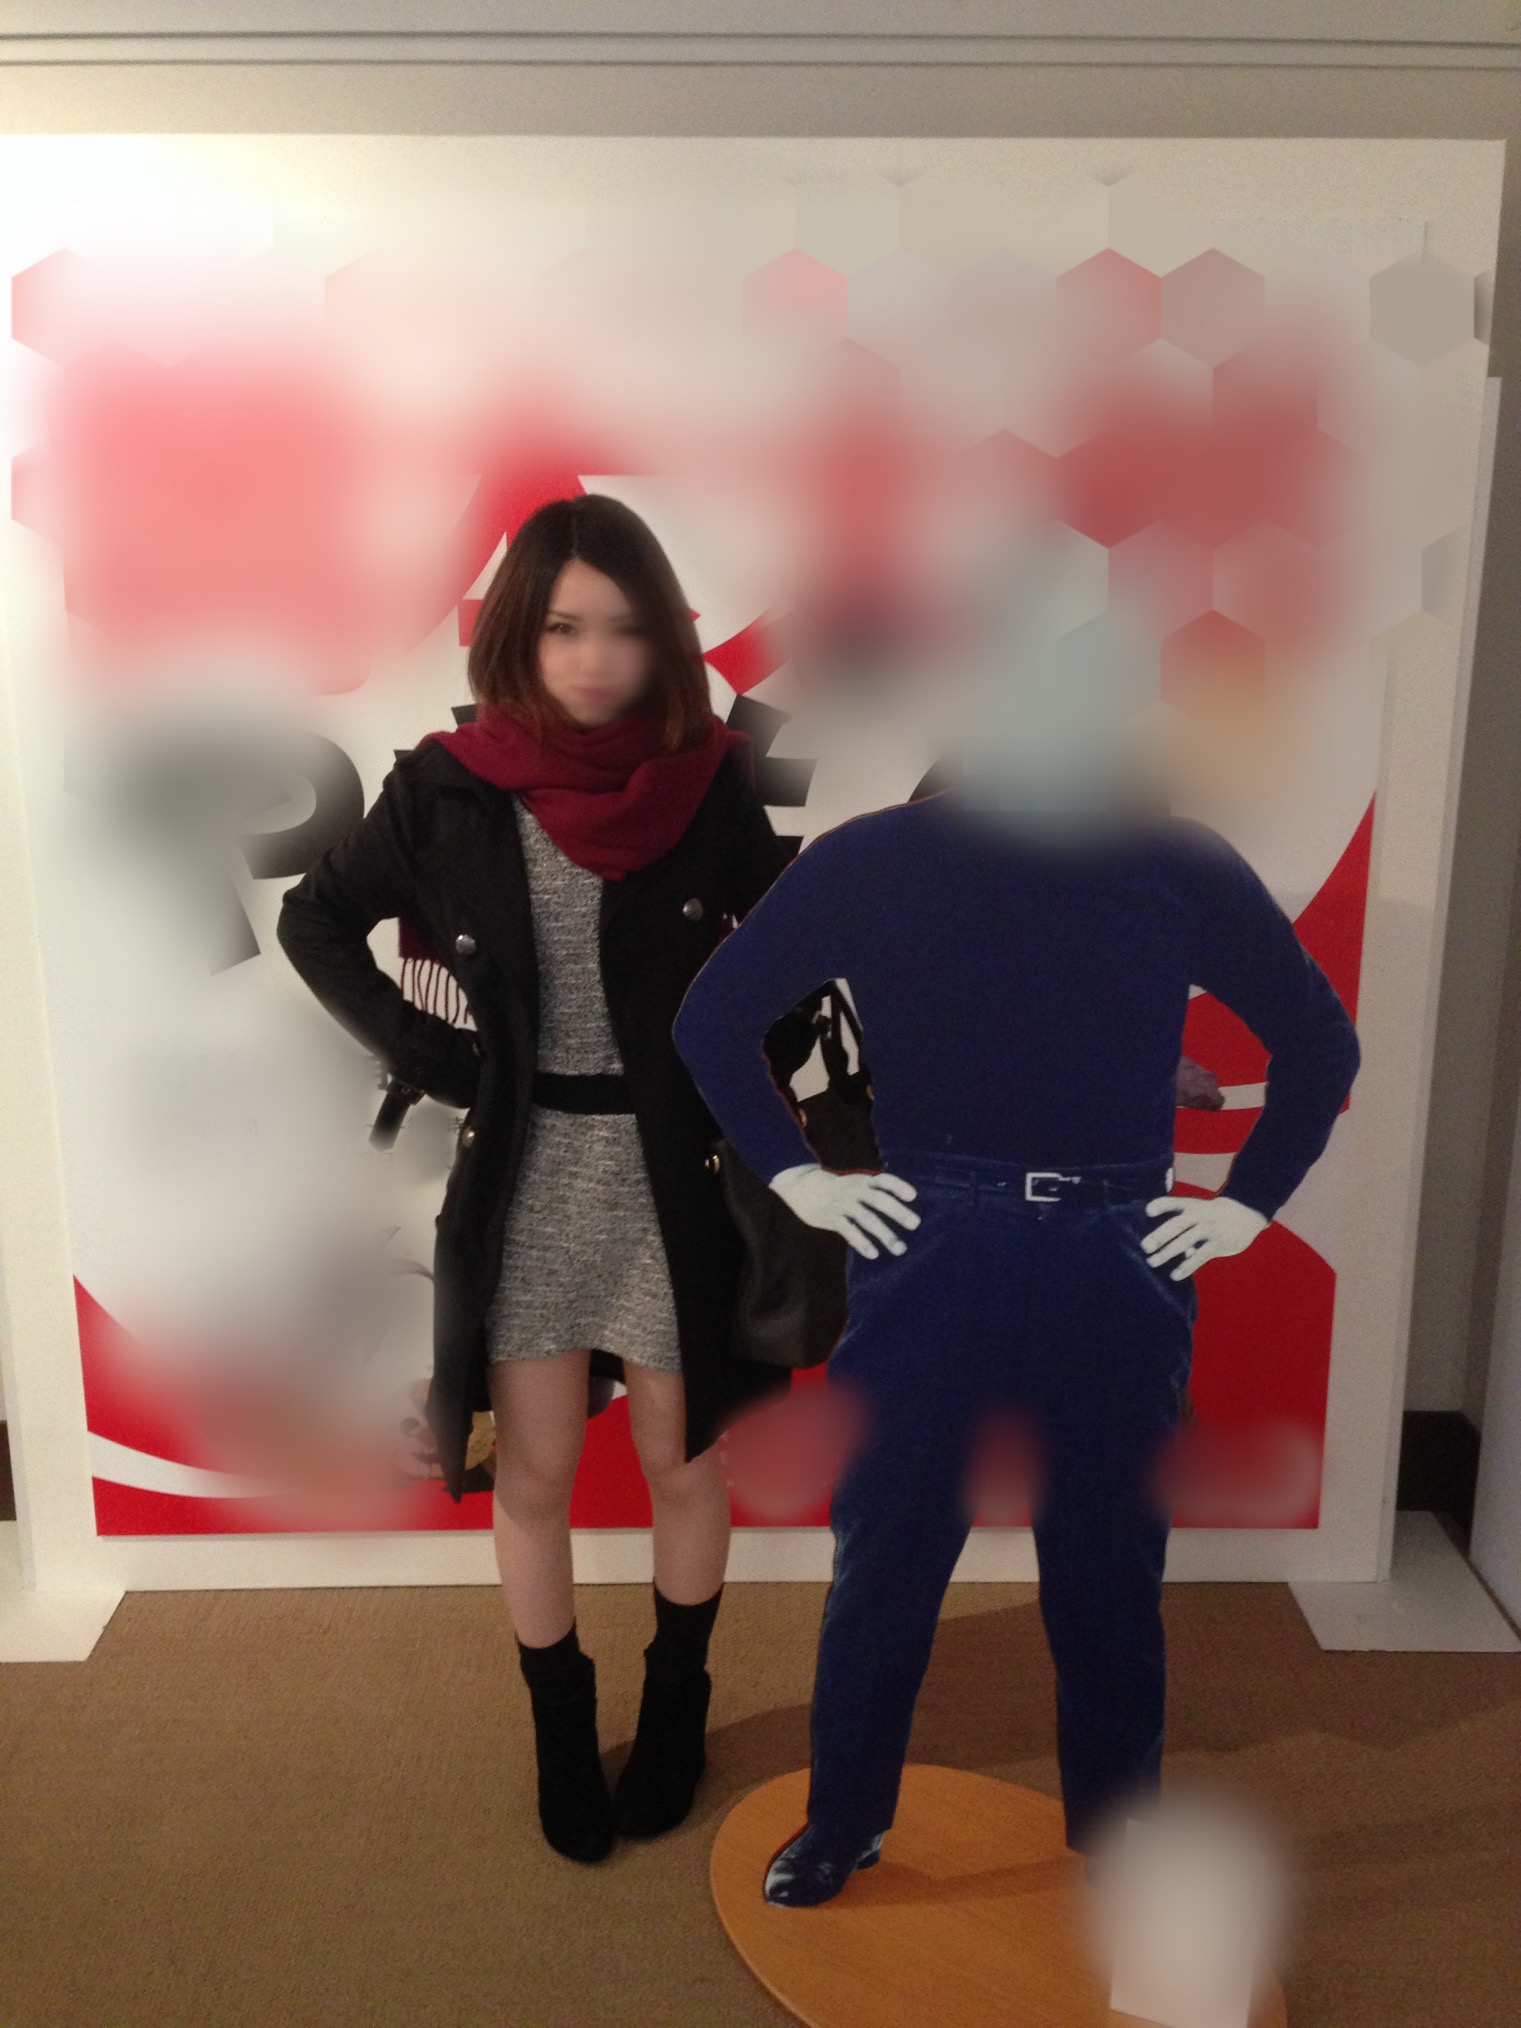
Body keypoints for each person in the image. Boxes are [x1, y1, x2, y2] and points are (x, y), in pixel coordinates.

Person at [672, 613, 1361, 1907]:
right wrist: (801, 1177)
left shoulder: (1176, 864)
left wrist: (1248, 1204)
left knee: (1108, 1567)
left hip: (1116, 1245)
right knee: (889, 1558)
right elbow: (713, 1018)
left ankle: (1116, 1829)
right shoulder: (877, 856)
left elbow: (1318, 1045)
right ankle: (843, 1820)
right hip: (937, 1241)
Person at [277, 494, 809, 1866]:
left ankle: (677, 1710)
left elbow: (795, 953)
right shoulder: (446, 788)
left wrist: (745, 1070)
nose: (593, 659)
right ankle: (561, 1728)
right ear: (519, 633)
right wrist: (441, 1057)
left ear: (663, 643)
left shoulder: (708, 782)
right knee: (536, 1470)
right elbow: (315, 918)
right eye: (565, 627)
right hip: (528, 1183)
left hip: (674, 1178)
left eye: (624, 630)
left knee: (681, 1459)